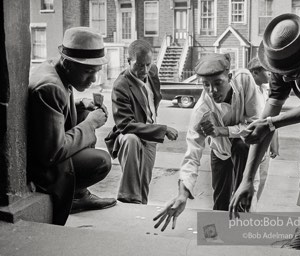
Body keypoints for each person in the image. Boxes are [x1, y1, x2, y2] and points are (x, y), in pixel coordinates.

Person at [229, 13, 300, 251]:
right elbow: (265, 120)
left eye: (293, 72)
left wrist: (272, 123)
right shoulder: (281, 57)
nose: (285, 78)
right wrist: (247, 180)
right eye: (282, 73)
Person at [153, 53, 264, 231]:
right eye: (206, 85)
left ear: (229, 77)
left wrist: (223, 131)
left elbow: (256, 124)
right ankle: (219, 242)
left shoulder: (244, 79)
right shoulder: (201, 110)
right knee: (220, 204)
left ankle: (243, 231)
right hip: (219, 152)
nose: (212, 91)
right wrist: (182, 194)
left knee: (242, 201)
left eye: (218, 83)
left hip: (246, 149)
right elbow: (192, 154)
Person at [28, 27, 117, 225]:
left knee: (84, 112)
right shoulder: (50, 87)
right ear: (68, 64)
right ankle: (76, 196)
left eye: (97, 72)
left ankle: (79, 194)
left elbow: (52, 112)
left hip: (41, 150)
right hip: (41, 169)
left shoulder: (53, 68)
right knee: (101, 161)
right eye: (88, 71)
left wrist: (79, 105)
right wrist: (91, 123)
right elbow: (53, 152)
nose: (93, 79)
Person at [105, 39, 178, 204]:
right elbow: (124, 125)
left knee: (144, 185)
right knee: (131, 139)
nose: (144, 70)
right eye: (139, 65)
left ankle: (137, 214)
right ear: (129, 61)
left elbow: (153, 99)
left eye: (148, 64)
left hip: (150, 137)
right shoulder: (121, 85)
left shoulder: (152, 71)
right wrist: (162, 129)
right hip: (129, 135)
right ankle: (126, 196)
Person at [247, 57, 280, 199]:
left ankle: (253, 209)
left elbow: (271, 120)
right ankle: (246, 212)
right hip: (252, 143)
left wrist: (274, 143)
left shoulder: (266, 91)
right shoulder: (248, 92)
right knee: (251, 181)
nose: (271, 75)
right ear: (255, 72)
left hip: (265, 143)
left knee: (262, 178)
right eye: (268, 72)